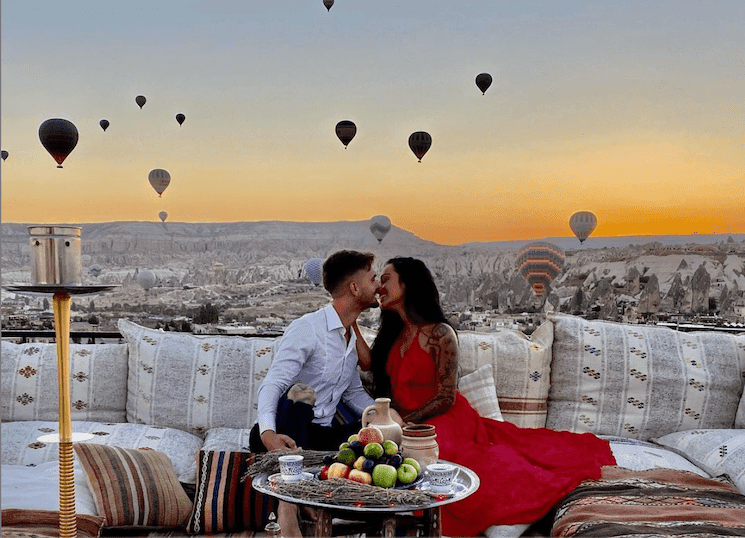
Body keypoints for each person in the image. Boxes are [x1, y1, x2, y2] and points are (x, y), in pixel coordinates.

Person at [369, 257, 616, 537]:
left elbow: (446, 397)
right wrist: (352, 317)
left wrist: (403, 423)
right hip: (408, 422)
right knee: (397, 456)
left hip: (443, 418)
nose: (379, 286)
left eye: (386, 279)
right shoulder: (393, 335)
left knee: (437, 459)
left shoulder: (440, 334)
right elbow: (373, 372)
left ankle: (498, 513)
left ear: (407, 283)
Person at [250, 250, 403, 536]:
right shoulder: (308, 329)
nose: (378, 287)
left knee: (370, 442)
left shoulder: (350, 336)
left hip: (319, 434)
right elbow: (273, 384)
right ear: (354, 288)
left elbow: (353, 392)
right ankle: (289, 501)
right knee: (302, 391)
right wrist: (268, 434)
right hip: (289, 426)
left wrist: (381, 415)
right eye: (373, 279)